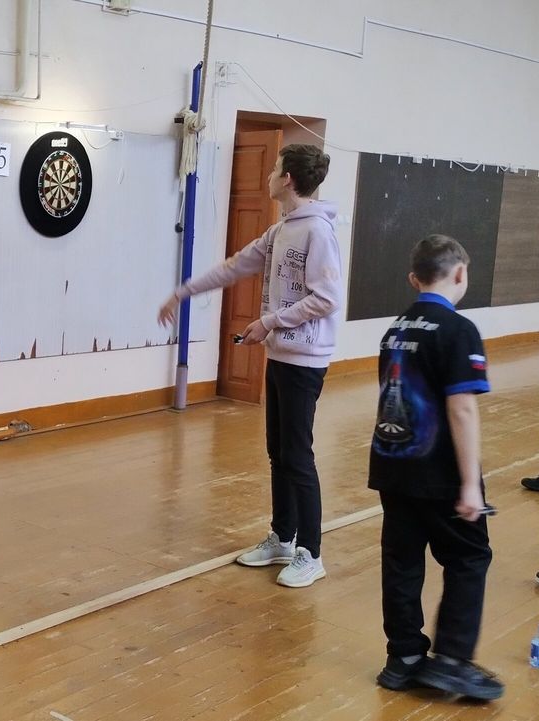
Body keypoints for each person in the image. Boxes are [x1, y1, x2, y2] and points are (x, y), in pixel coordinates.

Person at [157, 144, 340, 587]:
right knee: (279, 452)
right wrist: (184, 291)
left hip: (305, 360)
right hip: (280, 355)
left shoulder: (318, 231)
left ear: (288, 179)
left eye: (275, 169)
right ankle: (283, 537)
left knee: (298, 455)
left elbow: (327, 298)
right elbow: (236, 266)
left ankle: (311, 553)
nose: (270, 175)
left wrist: (270, 322)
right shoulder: (280, 231)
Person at [368, 235, 502, 700]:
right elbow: (461, 409)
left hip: (393, 467)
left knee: (402, 561)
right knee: (469, 557)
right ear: (460, 273)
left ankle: (403, 657)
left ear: (414, 278)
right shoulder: (458, 329)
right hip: (439, 472)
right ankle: (451, 661)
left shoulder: (395, 328)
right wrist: (470, 485)